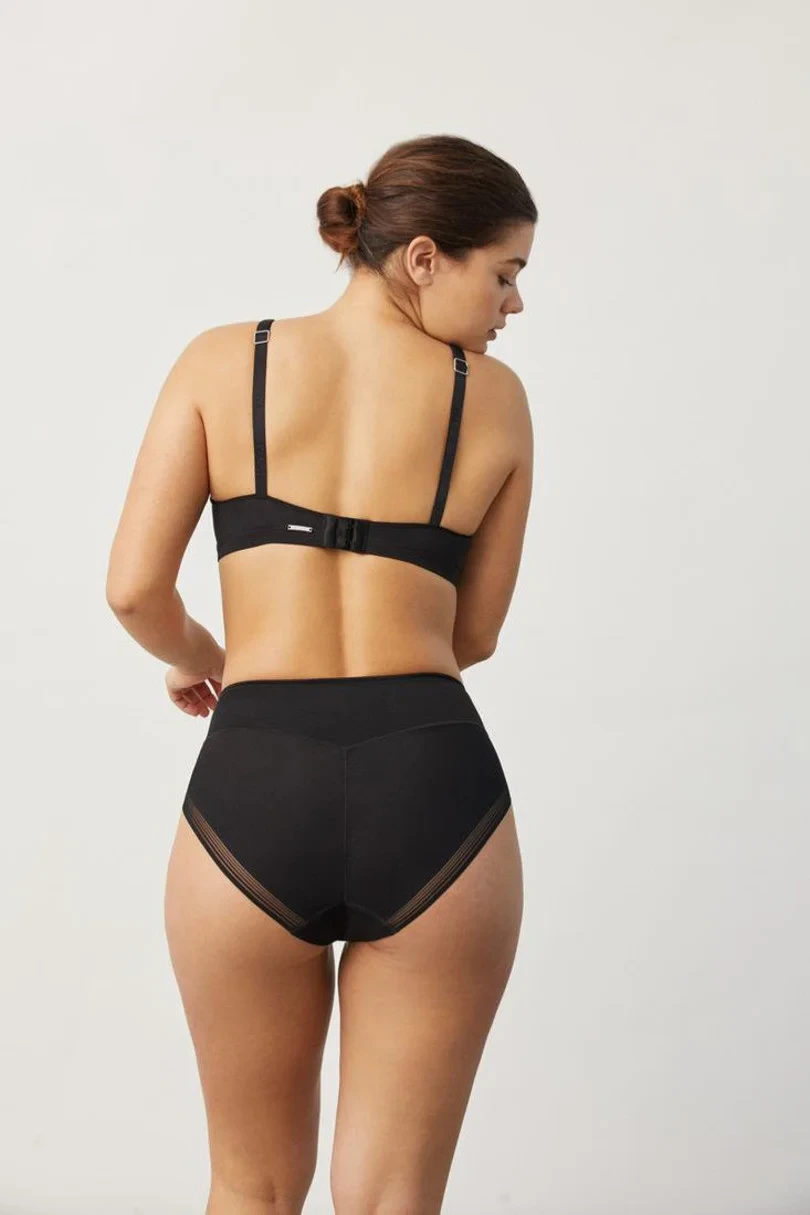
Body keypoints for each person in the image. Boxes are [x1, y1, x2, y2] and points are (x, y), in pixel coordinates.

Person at [106, 132, 536, 1215]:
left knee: (248, 1187)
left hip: (254, 780)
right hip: (434, 789)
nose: (515, 305)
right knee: (393, 1200)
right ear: (425, 257)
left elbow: (133, 591)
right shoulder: (494, 400)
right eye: (506, 274)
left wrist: (210, 663)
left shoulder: (220, 363)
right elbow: (476, 635)